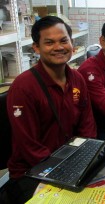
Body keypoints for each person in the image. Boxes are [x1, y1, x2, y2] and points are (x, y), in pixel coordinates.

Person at [0, 16, 97, 204]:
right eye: (49, 43)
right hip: (32, 173)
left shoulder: (77, 79)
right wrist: (66, 169)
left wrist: (88, 157)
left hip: (71, 161)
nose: (58, 47)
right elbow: (30, 147)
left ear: (72, 43)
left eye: (63, 40)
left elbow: (87, 126)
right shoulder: (24, 87)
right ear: (36, 48)